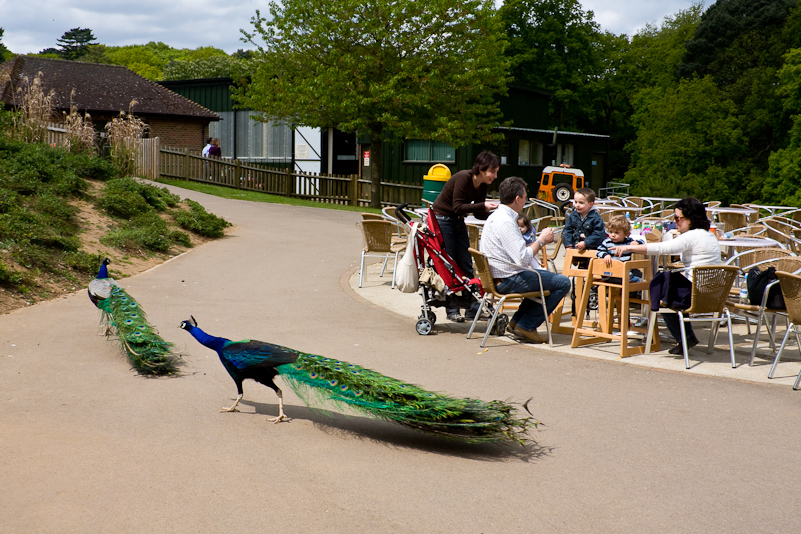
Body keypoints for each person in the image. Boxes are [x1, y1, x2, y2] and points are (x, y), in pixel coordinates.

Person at [610, 197, 721, 355]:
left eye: (678, 218)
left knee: (661, 284)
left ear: (691, 218)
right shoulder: (708, 235)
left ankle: (674, 333)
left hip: (696, 294)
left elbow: (664, 248)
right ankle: (684, 337)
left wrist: (629, 248)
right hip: (713, 294)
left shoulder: (692, 236)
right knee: (666, 283)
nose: (675, 222)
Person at [480, 176, 571, 344]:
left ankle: (517, 323)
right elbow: (523, 258)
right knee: (563, 282)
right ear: (517, 198)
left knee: (541, 278)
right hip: (507, 280)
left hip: (498, 277)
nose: (526, 199)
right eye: (525, 195)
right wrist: (542, 240)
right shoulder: (506, 221)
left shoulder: (496, 216)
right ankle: (526, 325)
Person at [431, 150, 500, 322]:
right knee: (450, 264)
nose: (495, 176)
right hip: (442, 219)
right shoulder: (464, 177)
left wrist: (496, 215)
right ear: (482, 168)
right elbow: (458, 207)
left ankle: (472, 309)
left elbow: (477, 214)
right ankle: (452, 309)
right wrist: (483, 206)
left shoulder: (483, 184)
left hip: (457, 220)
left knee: (467, 264)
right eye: (493, 171)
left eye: (496, 172)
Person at [596, 214, 646, 283]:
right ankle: (638, 286)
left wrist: (636, 243)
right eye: (611, 232)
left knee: (637, 272)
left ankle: (633, 292)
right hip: (610, 273)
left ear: (625, 234)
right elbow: (599, 251)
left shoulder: (628, 242)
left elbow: (643, 244)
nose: (613, 235)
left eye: (616, 233)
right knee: (638, 279)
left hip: (624, 271)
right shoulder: (607, 242)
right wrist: (605, 255)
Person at [563, 187, 606, 253]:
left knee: (590, 262)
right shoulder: (573, 215)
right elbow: (567, 230)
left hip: (591, 249)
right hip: (575, 247)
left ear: (590, 204)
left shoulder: (595, 218)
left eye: (581, 203)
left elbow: (599, 234)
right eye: (576, 202)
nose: (577, 205)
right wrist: (569, 245)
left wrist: (586, 243)